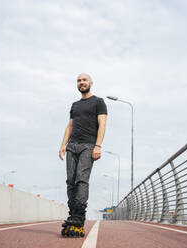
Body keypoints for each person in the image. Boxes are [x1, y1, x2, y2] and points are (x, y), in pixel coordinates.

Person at [59, 73, 107, 237]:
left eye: (84, 80)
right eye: (79, 80)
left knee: (81, 178)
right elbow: (69, 126)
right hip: (72, 146)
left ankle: (79, 216)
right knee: (70, 181)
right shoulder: (75, 105)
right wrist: (63, 145)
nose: (81, 82)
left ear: (91, 83)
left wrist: (98, 146)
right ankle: (73, 215)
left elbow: (102, 124)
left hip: (88, 145)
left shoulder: (98, 102)